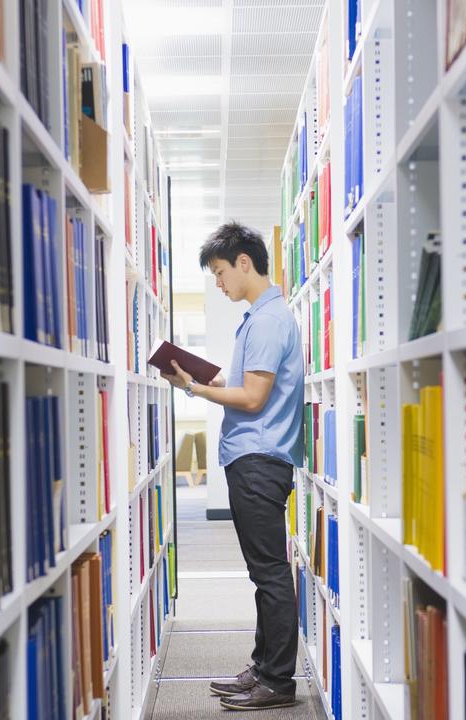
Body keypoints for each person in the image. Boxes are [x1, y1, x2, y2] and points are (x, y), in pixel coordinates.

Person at [160, 221, 304, 712]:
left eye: (220, 273)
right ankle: (264, 667)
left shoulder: (267, 320)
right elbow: (240, 380)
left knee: (269, 574)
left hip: (260, 460)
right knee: (263, 572)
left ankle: (278, 682)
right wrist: (198, 373)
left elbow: (252, 396)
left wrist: (195, 390)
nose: (219, 284)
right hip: (255, 459)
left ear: (245, 262)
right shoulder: (258, 318)